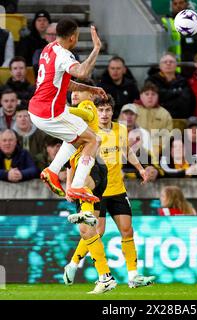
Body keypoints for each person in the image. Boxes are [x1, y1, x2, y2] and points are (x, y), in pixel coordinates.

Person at [65, 94, 155, 290]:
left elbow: (127, 151)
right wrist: (69, 185)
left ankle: (133, 276)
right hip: (97, 191)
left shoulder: (120, 130)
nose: (104, 114)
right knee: (97, 231)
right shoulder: (87, 133)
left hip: (117, 189)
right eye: (101, 110)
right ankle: (73, 264)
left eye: (107, 110)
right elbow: (72, 162)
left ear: (112, 112)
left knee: (127, 230)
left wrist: (140, 168)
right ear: (95, 112)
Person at [28, 17, 107, 202]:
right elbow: (82, 72)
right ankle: (77, 186)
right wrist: (96, 48)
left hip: (38, 109)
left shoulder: (49, 49)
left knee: (76, 136)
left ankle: (52, 171)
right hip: (50, 113)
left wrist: (89, 89)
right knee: (93, 140)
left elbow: (64, 82)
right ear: (73, 37)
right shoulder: (64, 55)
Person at [161, 0, 197, 77]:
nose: (178, 6)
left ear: (187, 4)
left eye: (181, 3)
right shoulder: (167, 22)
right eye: (175, 4)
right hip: (180, 69)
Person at [145, 52, 195, 118]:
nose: (168, 64)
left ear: (176, 65)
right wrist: (176, 93)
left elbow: (186, 101)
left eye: (171, 62)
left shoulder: (183, 81)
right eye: (165, 62)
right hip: (158, 118)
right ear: (160, 66)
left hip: (180, 118)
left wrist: (166, 98)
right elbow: (153, 100)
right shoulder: (152, 80)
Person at [12, 102, 47, 171]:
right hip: (16, 168)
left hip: (38, 167)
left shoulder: (40, 134)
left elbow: (45, 153)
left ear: (30, 117)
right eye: (19, 116)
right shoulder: (11, 134)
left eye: (25, 116)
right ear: (16, 119)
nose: (23, 119)